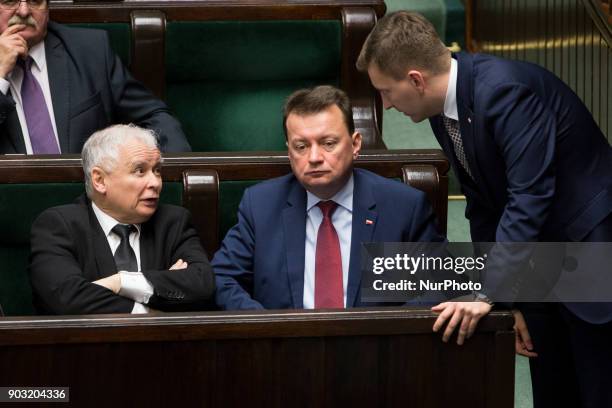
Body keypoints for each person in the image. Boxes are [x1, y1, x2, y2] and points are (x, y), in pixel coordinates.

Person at [357, 11, 612, 407]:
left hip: (588, 250)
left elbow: (528, 199)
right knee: (553, 390)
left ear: (416, 80)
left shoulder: (506, 92)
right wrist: (506, 297)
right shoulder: (441, 108)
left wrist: (487, 292)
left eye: (386, 92)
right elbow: (483, 205)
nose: (386, 106)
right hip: (536, 258)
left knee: (599, 389)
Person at [214, 85, 471, 322]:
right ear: (288, 151)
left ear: (355, 144)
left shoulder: (401, 207)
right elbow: (223, 278)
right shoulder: (261, 205)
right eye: (301, 146)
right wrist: (269, 328)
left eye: (328, 143)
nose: (314, 157)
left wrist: (385, 331)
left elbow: (447, 280)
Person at [29, 124, 214, 314]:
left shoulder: (173, 222)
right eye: (140, 171)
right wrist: (149, 308)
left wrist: (121, 282)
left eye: (157, 170)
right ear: (100, 180)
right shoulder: (59, 225)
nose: (155, 183)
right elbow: (65, 298)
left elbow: (202, 285)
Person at [0, 0, 190, 154]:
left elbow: (153, 116)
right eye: (9, 1)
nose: (24, 11)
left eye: (35, 1)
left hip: (89, 194)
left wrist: (172, 171)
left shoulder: (91, 50)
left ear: (47, 7)